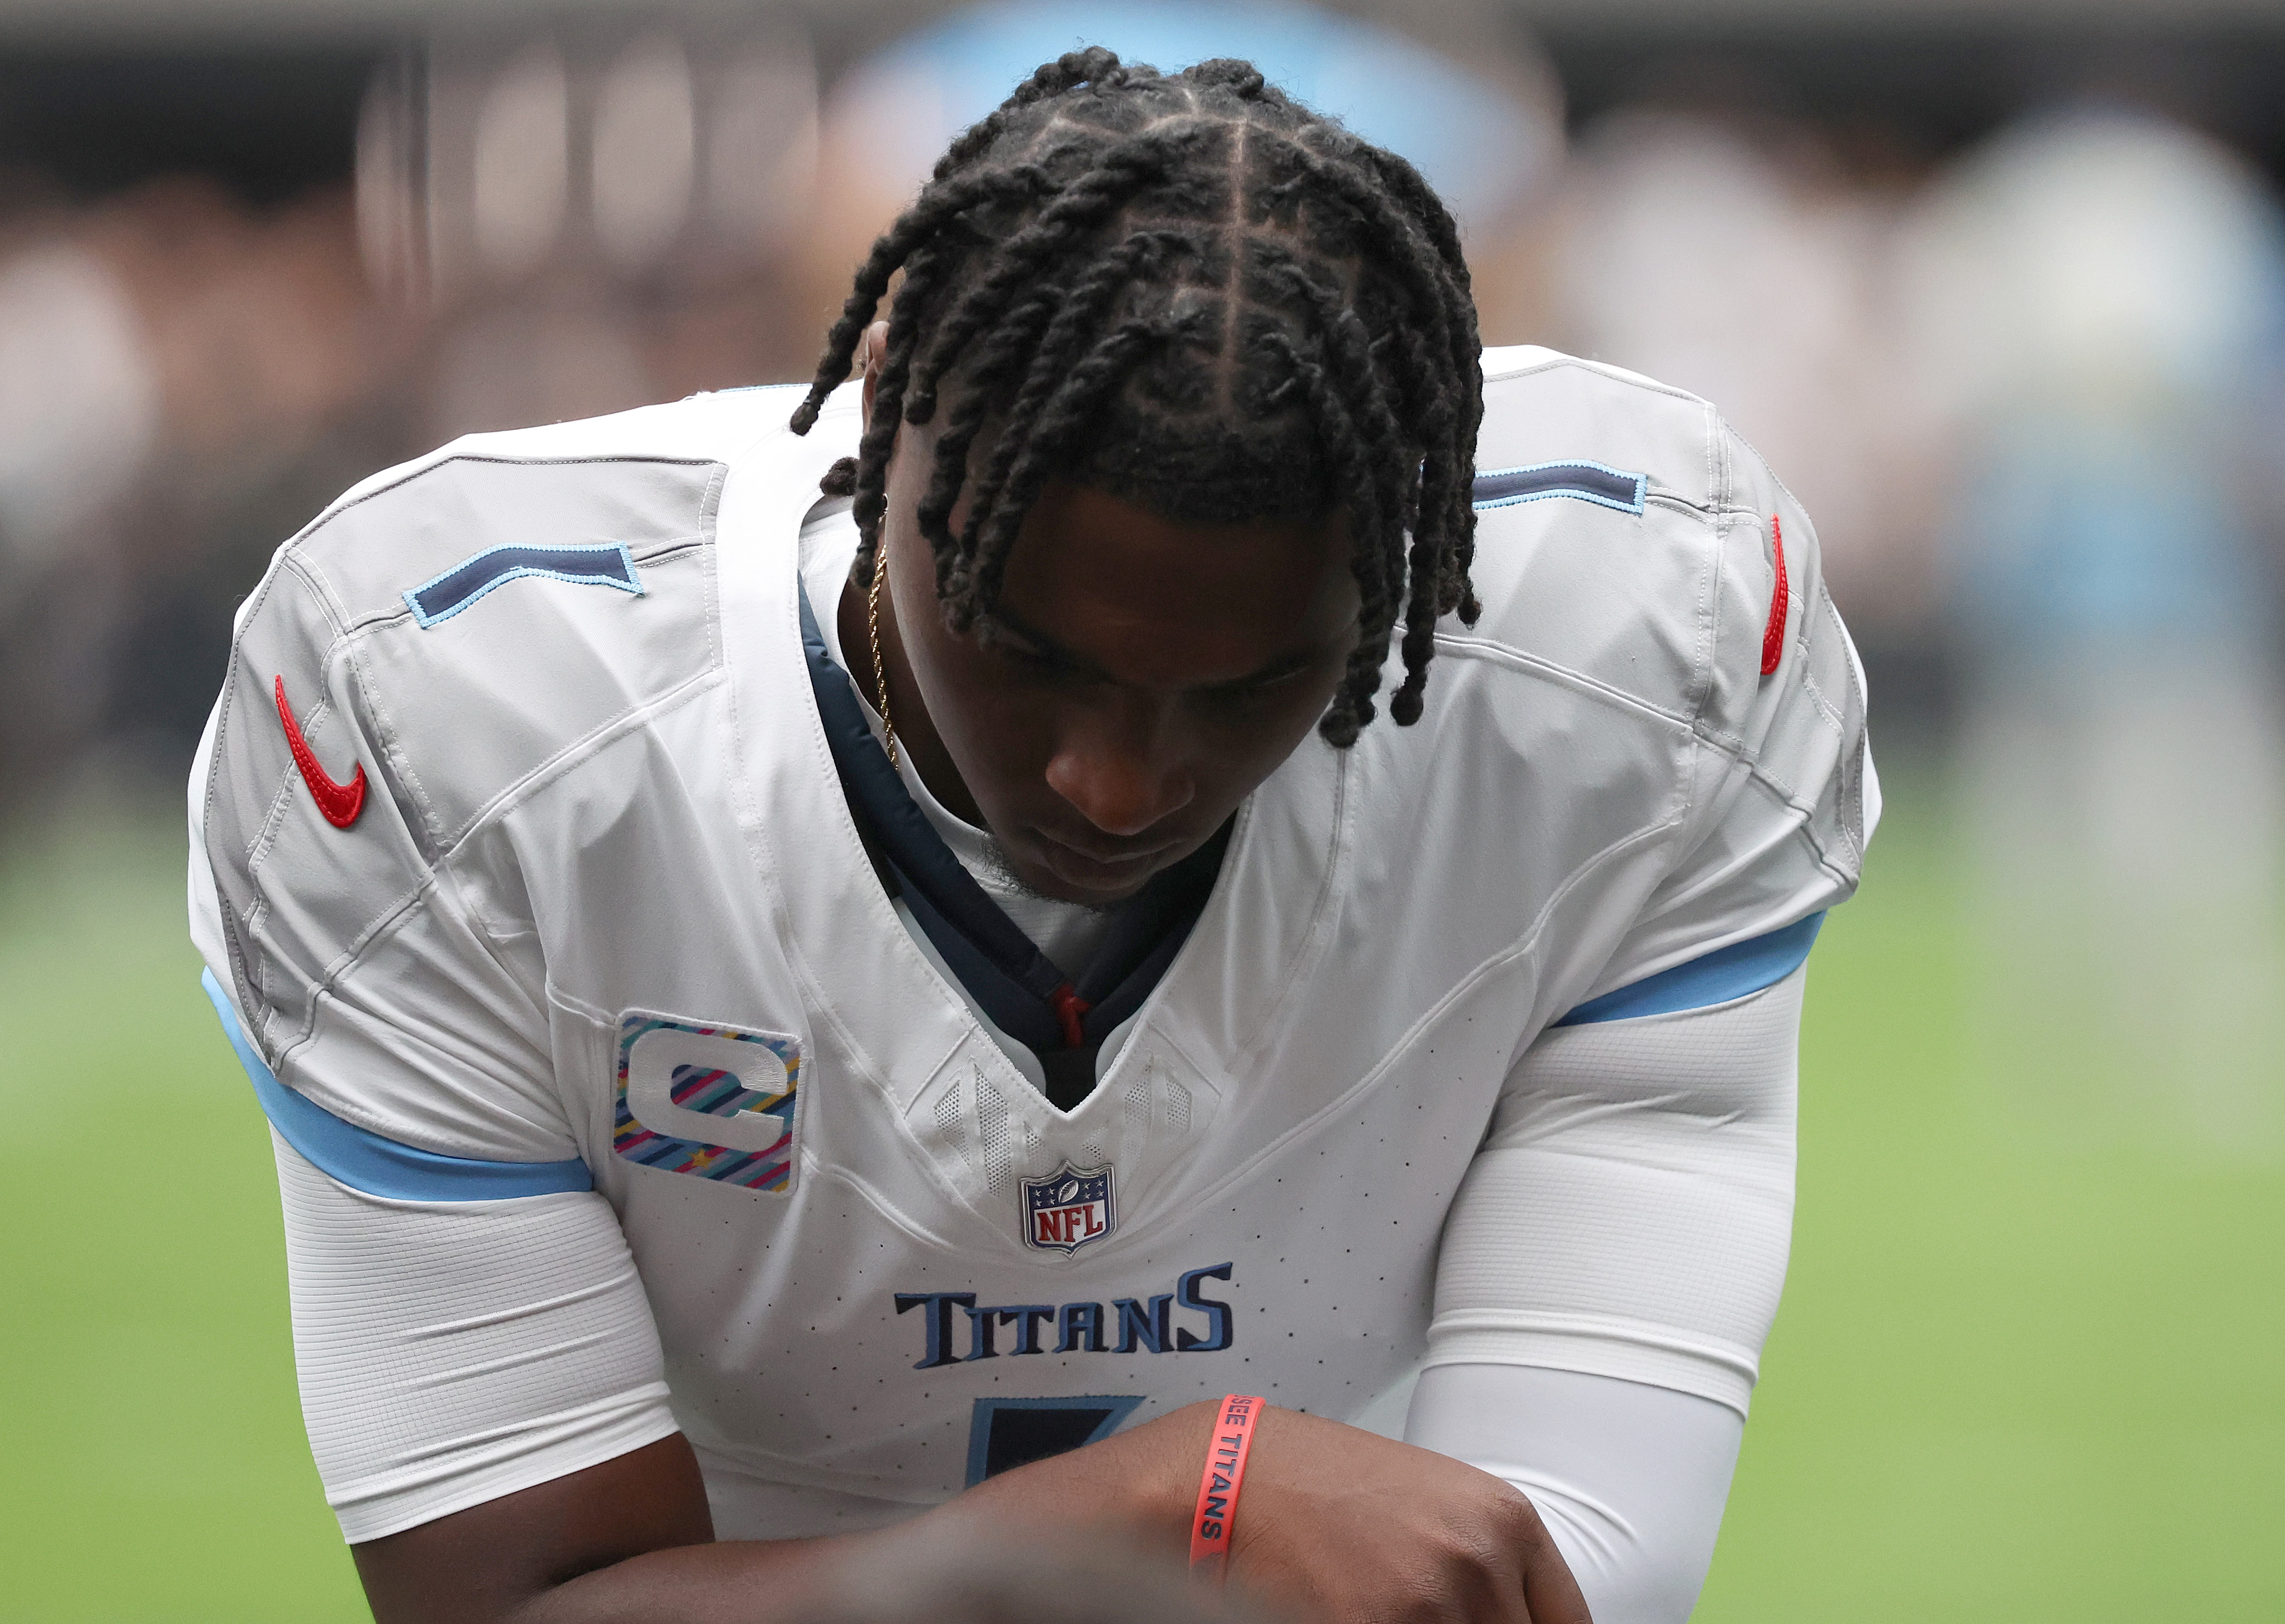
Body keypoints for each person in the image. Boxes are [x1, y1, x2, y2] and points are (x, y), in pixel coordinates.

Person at [190, 50, 1874, 1624]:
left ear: (1407, 571)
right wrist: (1139, 1519)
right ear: (880, 401)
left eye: (1256, 681)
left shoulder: (1649, 659)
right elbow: (514, 1600)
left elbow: (1551, 1568)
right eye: (1036, 650)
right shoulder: (455, 711)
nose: (1121, 782)